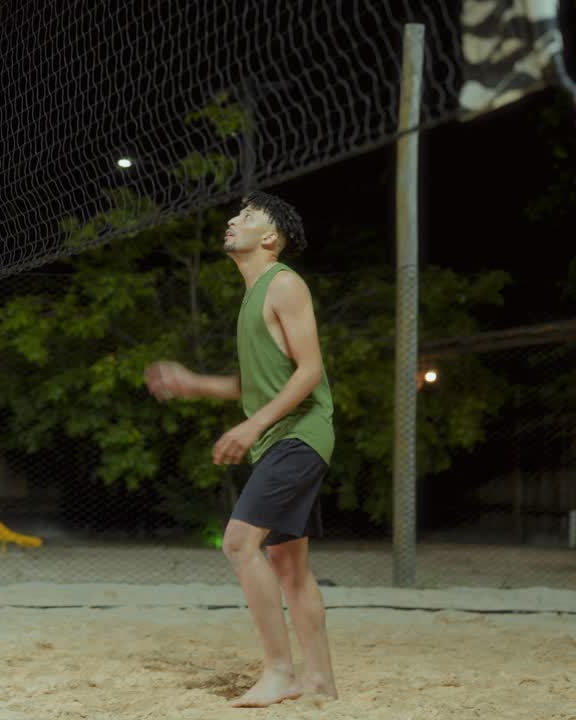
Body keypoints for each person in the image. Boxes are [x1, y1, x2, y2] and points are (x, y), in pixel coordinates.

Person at [145, 191, 337, 708]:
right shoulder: (253, 296)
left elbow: (311, 371)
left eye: (248, 217)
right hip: (283, 435)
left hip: (300, 436)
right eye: (236, 214)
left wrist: (252, 426)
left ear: (270, 239)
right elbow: (258, 383)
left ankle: (280, 672)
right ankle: (319, 682)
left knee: (236, 543)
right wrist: (195, 384)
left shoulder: (284, 283)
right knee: (290, 567)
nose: (234, 220)